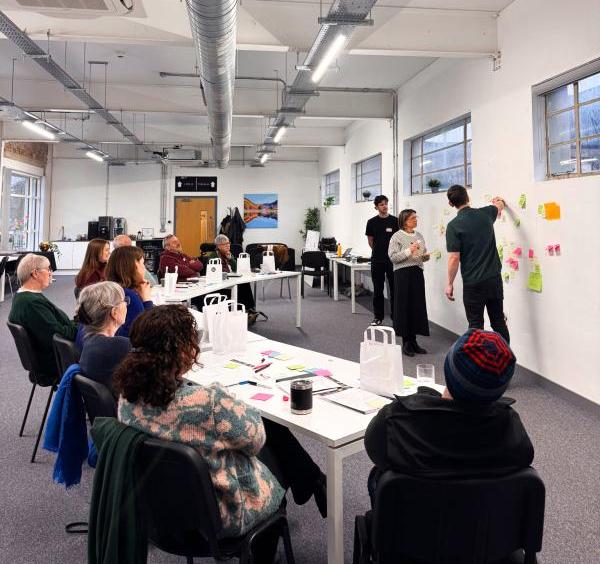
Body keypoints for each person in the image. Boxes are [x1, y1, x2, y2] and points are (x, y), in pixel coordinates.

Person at [114, 305, 326, 561]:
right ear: (184, 350)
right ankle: (307, 486)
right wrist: (228, 401)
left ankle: (311, 480)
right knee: (272, 456)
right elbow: (256, 439)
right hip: (221, 517)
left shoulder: (126, 400)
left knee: (271, 442)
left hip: (157, 514)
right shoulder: (208, 403)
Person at [365, 329, 534, 505]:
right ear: (501, 388)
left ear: (448, 369)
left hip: (413, 518)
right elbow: (524, 459)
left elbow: (376, 452)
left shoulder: (396, 420)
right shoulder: (511, 429)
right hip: (484, 519)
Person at [445, 185, 510, 343]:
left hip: (473, 284)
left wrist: (450, 283)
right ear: (468, 197)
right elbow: (500, 205)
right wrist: (498, 201)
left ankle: (478, 359)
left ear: (451, 204)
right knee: (498, 322)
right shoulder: (486, 213)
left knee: (475, 326)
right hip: (494, 279)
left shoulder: (453, 226)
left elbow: (454, 258)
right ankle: (506, 356)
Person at [8, 254, 77, 385]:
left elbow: (53, 327)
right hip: (54, 364)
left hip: (49, 358)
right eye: (48, 269)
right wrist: (81, 328)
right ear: (35, 273)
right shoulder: (32, 303)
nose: (51, 273)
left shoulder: (24, 297)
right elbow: (58, 334)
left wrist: (78, 324)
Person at [388, 209, 430, 356]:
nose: (415, 220)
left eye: (415, 217)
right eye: (412, 218)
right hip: (402, 274)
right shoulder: (396, 236)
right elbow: (393, 257)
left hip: (417, 273)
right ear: (405, 221)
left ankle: (414, 341)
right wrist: (408, 251)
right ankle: (406, 342)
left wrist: (425, 256)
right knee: (404, 306)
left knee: (416, 306)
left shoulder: (419, 236)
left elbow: (421, 255)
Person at [76, 281, 131, 395]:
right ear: (114, 312)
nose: (126, 304)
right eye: (124, 301)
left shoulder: (90, 341)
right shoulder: (121, 347)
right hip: (121, 404)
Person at [204, 234, 258, 320]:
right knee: (240, 286)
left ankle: (249, 309)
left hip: (230, 280)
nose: (228, 245)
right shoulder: (213, 256)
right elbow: (216, 272)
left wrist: (230, 259)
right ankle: (242, 311)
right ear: (219, 246)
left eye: (228, 243)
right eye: (225, 244)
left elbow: (236, 268)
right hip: (219, 284)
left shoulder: (228, 254)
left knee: (245, 284)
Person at [105, 246, 153, 338]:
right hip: (125, 345)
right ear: (135, 266)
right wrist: (147, 300)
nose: (144, 268)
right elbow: (148, 330)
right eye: (142, 263)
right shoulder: (129, 296)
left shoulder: (109, 288)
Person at [365, 195, 398, 326]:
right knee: (378, 290)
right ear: (376, 207)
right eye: (381, 204)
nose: (384, 206)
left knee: (394, 289)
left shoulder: (395, 221)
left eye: (386, 204)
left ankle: (396, 317)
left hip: (392, 260)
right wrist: (379, 251)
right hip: (377, 260)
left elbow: (398, 240)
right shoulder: (371, 222)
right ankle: (378, 317)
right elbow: (370, 241)